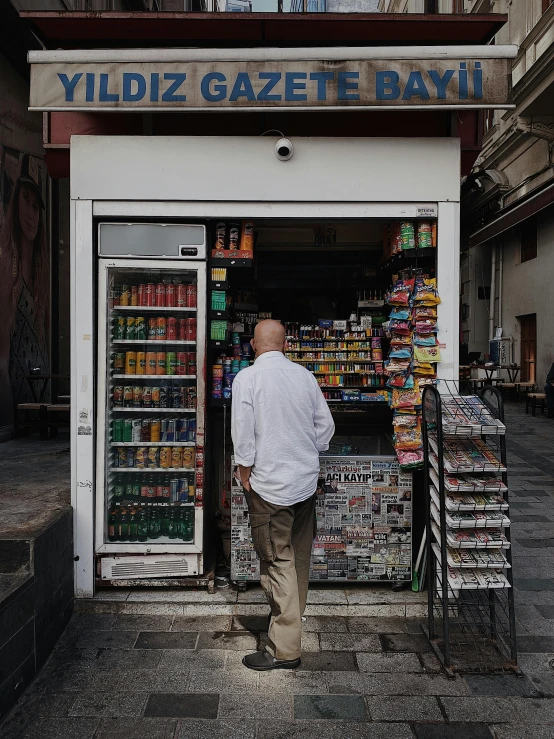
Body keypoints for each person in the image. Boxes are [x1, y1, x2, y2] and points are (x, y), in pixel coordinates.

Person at [231, 319, 335, 671]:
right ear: (286, 345)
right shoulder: (304, 376)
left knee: (276, 561)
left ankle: (284, 649)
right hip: (304, 482)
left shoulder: (247, 378)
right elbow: (326, 426)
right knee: (298, 558)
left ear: (253, 345)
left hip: (270, 487)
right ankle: (290, 625)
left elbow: (243, 432)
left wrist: (244, 468)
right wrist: (309, 451)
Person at [0, 153, 49, 426]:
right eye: (25, 201)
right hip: (19, 406)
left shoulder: (42, 271)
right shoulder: (8, 267)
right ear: (15, 202)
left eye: (36, 206)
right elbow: (2, 362)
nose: (31, 213)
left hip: (42, 400)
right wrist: (10, 427)